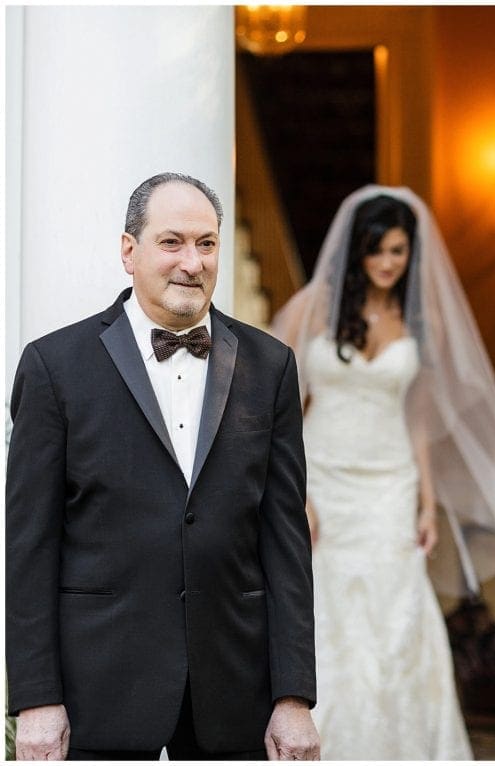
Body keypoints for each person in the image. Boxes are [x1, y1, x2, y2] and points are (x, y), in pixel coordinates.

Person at [5, 173, 319, 759]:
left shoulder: (271, 365)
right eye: (171, 242)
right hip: (97, 693)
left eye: (206, 244)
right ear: (130, 251)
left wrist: (293, 695)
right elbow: (29, 547)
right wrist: (35, 697)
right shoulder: (55, 367)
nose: (192, 262)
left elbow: (285, 541)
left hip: (235, 694)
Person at [271, 185, 495, 760]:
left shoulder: (418, 320)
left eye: (398, 251)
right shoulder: (312, 308)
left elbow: (419, 419)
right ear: (355, 249)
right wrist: (295, 491)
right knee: (328, 618)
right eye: (377, 250)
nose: (386, 262)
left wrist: (426, 503)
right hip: (322, 482)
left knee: (396, 619)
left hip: (391, 485)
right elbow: (272, 405)